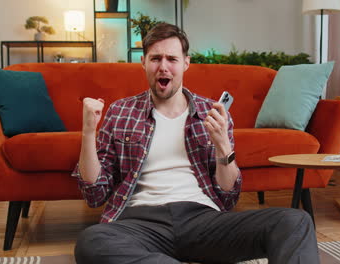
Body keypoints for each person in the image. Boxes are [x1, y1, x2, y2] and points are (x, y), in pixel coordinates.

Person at [73, 23, 319, 264]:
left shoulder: (212, 113)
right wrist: (87, 133)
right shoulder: (120, 111)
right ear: (144, 63)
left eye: (172, 59)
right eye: (155, 58)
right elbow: (96, 194)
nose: (163, 67)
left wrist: (223, 145)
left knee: (295, 221)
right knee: (91, 241)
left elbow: (228, 195)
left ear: (186, 63)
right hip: (140, 223)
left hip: (202, 221)